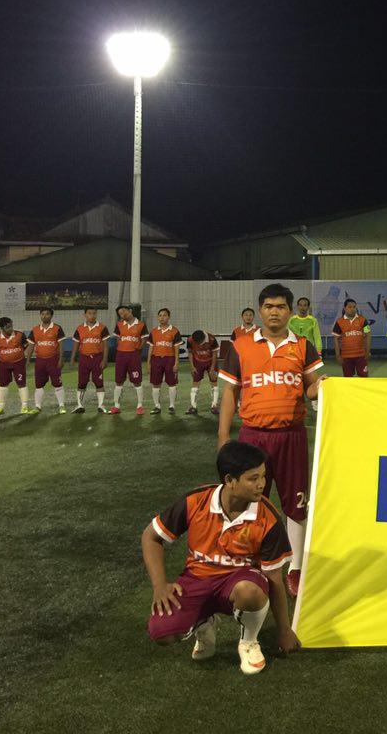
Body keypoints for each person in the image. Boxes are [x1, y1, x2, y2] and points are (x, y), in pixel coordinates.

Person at [143, 440, 299, 675]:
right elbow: (150, 537)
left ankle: (248, 642)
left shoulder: (268, 518)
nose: (262, 484)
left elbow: (274, 578)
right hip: (197, 579)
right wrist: (159, 586)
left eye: (263, 476)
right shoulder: (195, 501)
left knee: (251, 591)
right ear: (229, 480)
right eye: (253, 478)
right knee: (161, 632)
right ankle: (205, 625)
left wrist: (284, 630)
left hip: (239, 582)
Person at [217, 284, 324, 596]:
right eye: (269, 306)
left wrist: (318, 388)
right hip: (252, 437)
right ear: (260, 310)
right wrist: (224, 438)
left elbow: (311, 387)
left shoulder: (303, 346)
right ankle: (251, 562)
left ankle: (296, 570)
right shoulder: (240, 345)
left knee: (296, 503)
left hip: (291, 435)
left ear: (290, 311)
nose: (274, 312)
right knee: (248, 501)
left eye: (280, 306)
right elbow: (230, 393)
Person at [70, 306, 110, 414]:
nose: (92, 316)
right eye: (89, 313)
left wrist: (105, 360)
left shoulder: (102, 328)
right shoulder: (79, 328)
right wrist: (73, 358)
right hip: (84, 358)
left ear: (96, 314)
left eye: (94, 313)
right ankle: (79, 405)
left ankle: (101, 405)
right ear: (85, 315)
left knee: (99, 382)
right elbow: (76, 344)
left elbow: (106, 345)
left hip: (97, 358)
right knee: (82, 382)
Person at [110, 304, 149, 415]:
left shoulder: (141, 325)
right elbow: (118, 339)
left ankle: (140, 406)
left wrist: (139, 348)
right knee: (119, 381)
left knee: (137, 381)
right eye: (120, 314)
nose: (122, 315)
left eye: (124, 312)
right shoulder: (119, 325)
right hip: (121, 355)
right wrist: (123, 347)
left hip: (134, 356)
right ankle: (116, 406)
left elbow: (145, 338)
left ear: (130, 311)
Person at [30, 308, 69, 415]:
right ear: (40, 316)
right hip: (40, 361)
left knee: (57, 383)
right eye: (42, 314)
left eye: (47, 314)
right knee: (38, 385)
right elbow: (31, 345)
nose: (44, 316)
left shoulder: (57, 328)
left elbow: (61, 345)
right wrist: (27, 359)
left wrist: (61, 359)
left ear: (51, 316)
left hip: (53, 360)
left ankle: (61, 405)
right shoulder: (35, 329)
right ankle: (37, 406)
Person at [0, 316, 31, 415]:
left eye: (11, 326)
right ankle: (0, 407)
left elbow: (26, 346)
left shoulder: (20, 335)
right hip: (3, 364)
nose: (11, 328)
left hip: (19, 363)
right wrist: (1, 356)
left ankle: (24, 406)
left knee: (21, 384)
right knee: (3, 385)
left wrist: (17, 354)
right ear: (2, 328)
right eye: (8, 327)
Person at [149, 308, 183, 415]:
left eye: (164, 315)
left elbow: (177, 348)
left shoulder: (175, 331)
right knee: (155, 383)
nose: (162, 317)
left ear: (169, 317)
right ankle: (157, 406)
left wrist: (176, 362)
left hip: (170, 359)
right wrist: (149, 362)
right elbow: (151, 347)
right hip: (156, 359)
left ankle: (172, 406)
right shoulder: (154, 331)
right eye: (160, 315)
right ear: (158, 317)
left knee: (172, 383)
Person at [331, 298, 372, 377]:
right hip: (346, 357)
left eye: (354, 307)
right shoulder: (339, 322)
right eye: (350, 307)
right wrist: (338, 355)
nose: (352, 309)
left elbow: (368, 335)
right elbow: (336, 339)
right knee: (348, 379)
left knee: (364, 377)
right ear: (344, 308)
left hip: (361, 356)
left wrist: (367, 352)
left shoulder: (363, 320)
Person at [186, 330, 220, 415]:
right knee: (195, 383)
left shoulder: (211, 339)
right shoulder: (190, 340)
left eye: (199, 342)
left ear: (204, 339)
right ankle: (193, 406)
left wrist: (212, 368)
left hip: (211, 361)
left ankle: (214, 406)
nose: (198, 345)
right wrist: (192, 366)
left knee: (214, 381)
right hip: (197, 362)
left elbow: (215, 353)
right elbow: (190, 352)